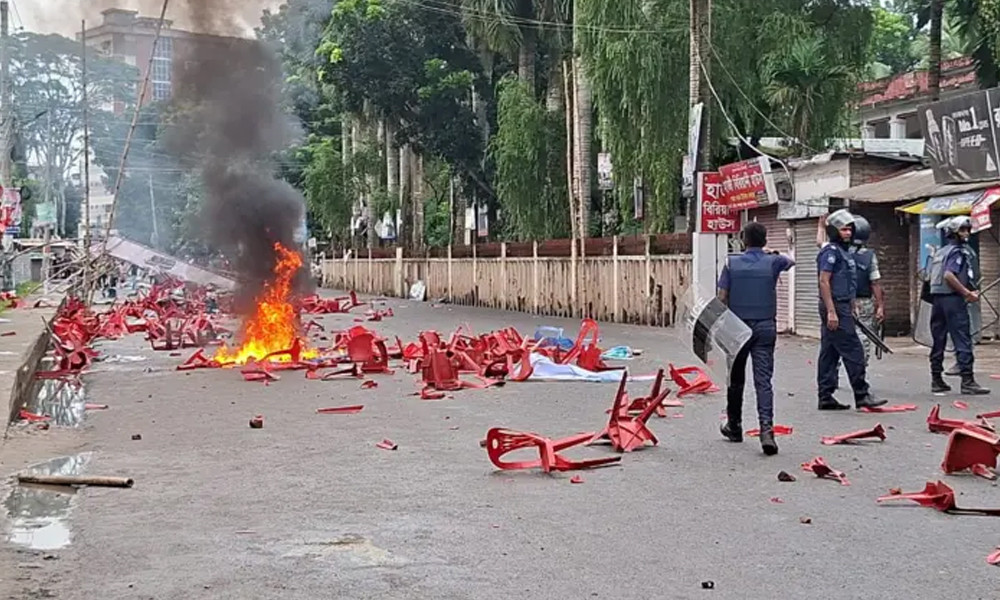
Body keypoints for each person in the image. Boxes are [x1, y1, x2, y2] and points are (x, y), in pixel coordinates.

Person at [716, 221, 795, 456]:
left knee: (735, 379)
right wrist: (772, 253)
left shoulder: (731, 263)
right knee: (763, 381)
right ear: (765, 240)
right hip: (765, 327)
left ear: (743, 240)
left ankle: (734, 426)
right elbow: (791, 261)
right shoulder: (773, 262)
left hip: (737, 328)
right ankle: (766, 431)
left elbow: (722, 297)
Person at [816, 209, 887, 411]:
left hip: (842, 304)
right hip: (834, 306)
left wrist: (851, 302)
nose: (847, 233)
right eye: (843, 229)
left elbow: (846, 281)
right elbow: (824, 281)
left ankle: (825, 396)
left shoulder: (842, 251)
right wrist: (832, 311)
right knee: (854, 349)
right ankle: (862, 394)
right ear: (834, 231)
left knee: (829, 352)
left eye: (849, 229)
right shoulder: (830, 252)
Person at [928, 216, 990, 395]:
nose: (966, 233)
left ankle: (936, 379)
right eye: (962, 230)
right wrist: (967, 293)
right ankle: (967, 381)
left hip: (937, 301)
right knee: (962, 338)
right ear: (953, 232)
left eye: (967, 230)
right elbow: (949, 275)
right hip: (953, 300)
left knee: (938, 340)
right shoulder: (958, 252)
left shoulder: (941, 252)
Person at [850, 217, 885, 365]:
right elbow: (875, 282)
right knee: (863, 335)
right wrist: (880, 306)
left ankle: (837, 370)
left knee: (840, 336)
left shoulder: (839, 252)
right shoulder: (869, 256)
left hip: (842, 301)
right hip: (864, 302)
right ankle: (860, 367)